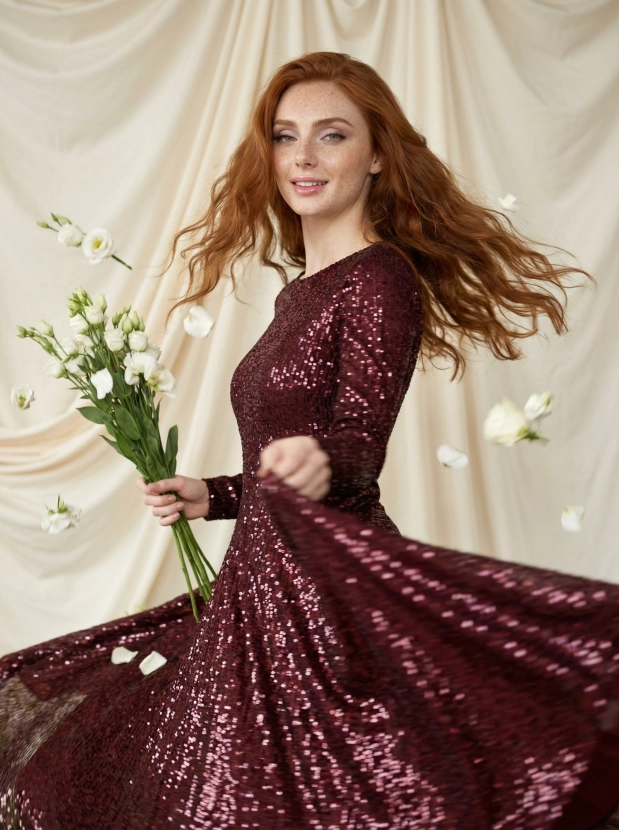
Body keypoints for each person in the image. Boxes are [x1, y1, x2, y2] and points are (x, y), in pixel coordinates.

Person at [1, 51, 619, 830]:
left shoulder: (378, 276)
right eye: (286, 136)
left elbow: (358, 442)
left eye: (332, 135)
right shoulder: (298, 292)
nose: (303, 156)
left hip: (322, 593)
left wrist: (323, 459)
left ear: (377, 155)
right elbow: (282, 455)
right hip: (260, 583)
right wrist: (211, 494)